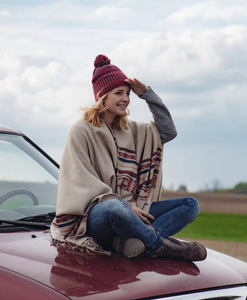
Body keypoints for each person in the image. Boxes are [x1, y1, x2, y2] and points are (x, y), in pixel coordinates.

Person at [50, 54, 206, 261]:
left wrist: (147, 94)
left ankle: (130, 242)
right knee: (115, 208)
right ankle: (160, 246)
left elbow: (168, 132)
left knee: (190, 204)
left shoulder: (131, 130)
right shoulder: (81, 130)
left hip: (133, 209)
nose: (126, 98)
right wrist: (125, 206)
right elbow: (82, 180)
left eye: (128, 93)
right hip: (95, 216)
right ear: (102, 96)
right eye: (119, 93)